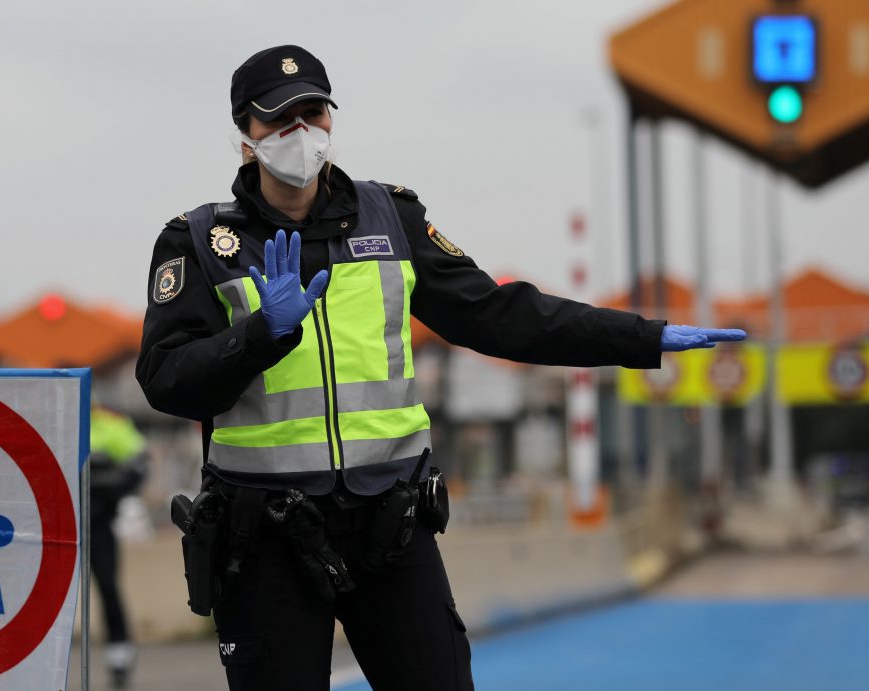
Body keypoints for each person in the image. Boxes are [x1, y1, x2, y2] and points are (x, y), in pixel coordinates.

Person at [136, 45, 745, 691]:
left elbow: (499, 315)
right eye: (279, 119)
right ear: (245, 136)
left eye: (313, 113)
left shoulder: (392, 218)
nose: (300, 132)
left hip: (388, 526)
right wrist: (261, 335)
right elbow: (166, 381)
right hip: (264, 535)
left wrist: (641, 336)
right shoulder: (200, 242)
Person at [88, 405, 148, 689]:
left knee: (108, 588)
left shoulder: (111, 423)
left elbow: (139, 464)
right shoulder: (52, 421)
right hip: (59, 524)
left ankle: (120, 656)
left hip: (98, 523)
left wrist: (108, 495)